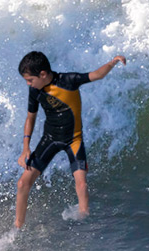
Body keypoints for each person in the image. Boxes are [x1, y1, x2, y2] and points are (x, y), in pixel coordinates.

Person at [14, 51, 127, 229]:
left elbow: (97, 74)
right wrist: (25, 147)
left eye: (30, 80)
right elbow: (30, 117)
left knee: (81, 185)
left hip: (73, 140)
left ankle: (84, 221)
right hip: (50, 139)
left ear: (43, 74)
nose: (28, 84)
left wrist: (112, 63)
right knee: (22, 183)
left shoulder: (68, 80)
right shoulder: (34, 90)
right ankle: (18, 227)